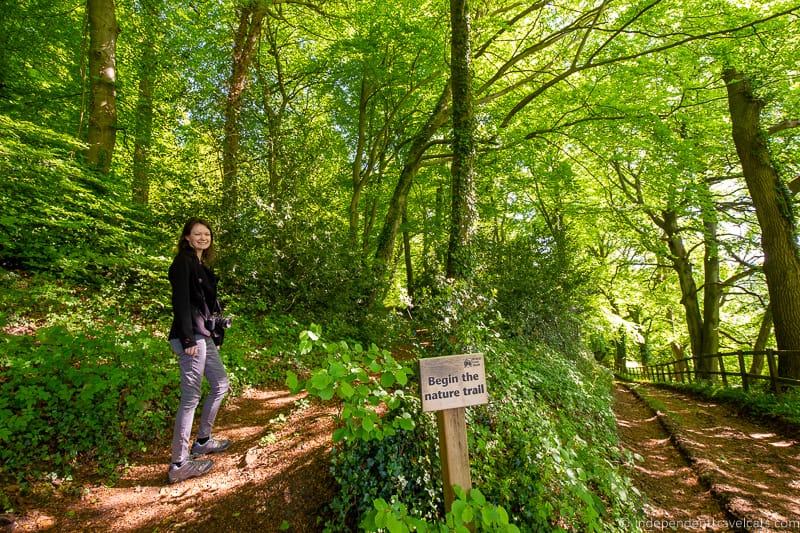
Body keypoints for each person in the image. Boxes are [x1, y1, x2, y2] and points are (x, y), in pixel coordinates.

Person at [166, 217, 231, 484]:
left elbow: (204, 305)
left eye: (207, 234)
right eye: (197, 234)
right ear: (187, 238)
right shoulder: (183, 262)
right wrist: (188, 340)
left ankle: (202, 440)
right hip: (191, 337)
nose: (203, 237)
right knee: (190, 397)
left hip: (204, 336)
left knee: (220, 384)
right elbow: (180, 302)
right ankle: (179, 464)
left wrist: (216, 331)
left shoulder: (200, 265)